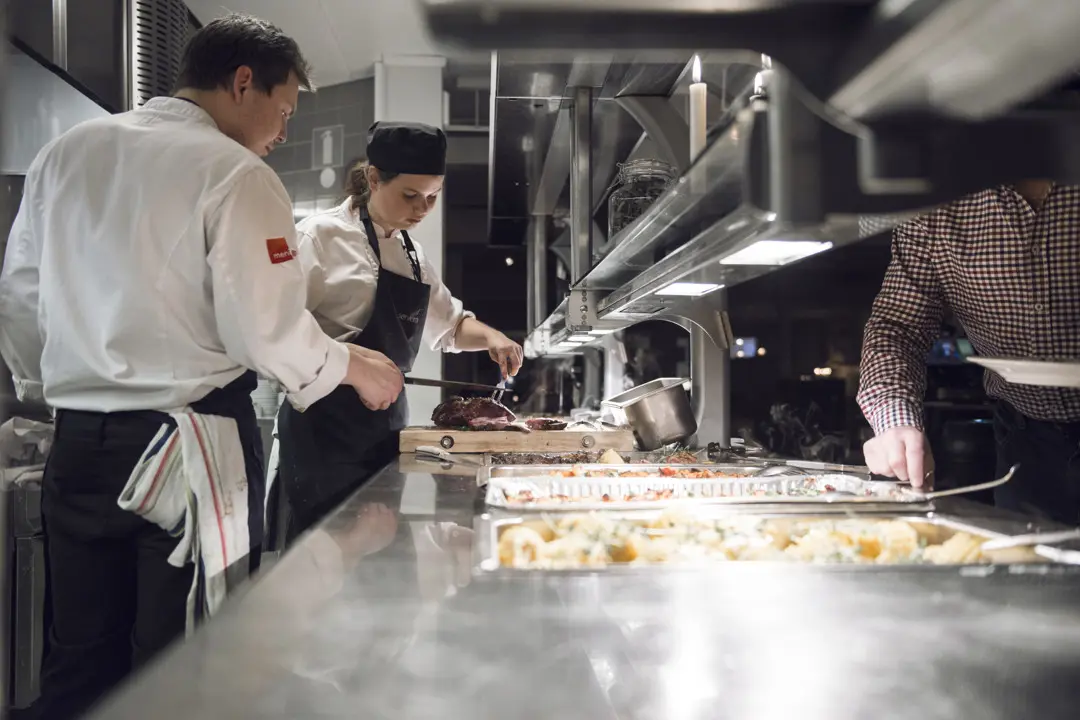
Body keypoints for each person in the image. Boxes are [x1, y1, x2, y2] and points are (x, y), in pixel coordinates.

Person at [0, 15, 403, 719]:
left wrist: (60, 389)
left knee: (77, 664)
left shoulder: (66, 153)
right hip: (187, 449)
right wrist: (355, 369)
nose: (282, 132)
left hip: (79, 448)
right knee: (183, 667)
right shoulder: (236, 172)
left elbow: (20, 295)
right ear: (242, 82)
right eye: (281, 111)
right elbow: (266, 333)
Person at [276, 121, 523, 540]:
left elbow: (451, 326)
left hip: (386, 432)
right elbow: (279, 328)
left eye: (432, 197)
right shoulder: (319, 237)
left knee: (382, 558)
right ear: (374, 178)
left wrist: (493, 338)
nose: (423, 208)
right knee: (327, 560)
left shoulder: (412, 254)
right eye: (410, 195)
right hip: (323, 433)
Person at [858, 181, 1080, 524]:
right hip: (1026, 442)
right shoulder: (936, 202)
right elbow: (898, 328)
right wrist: (894, 419)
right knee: (1030, 573)